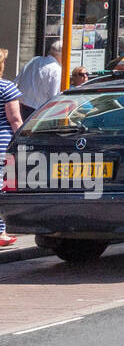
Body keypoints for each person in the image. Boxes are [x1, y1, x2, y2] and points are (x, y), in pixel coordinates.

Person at [0, 48, 23, 247]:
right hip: (3, 143)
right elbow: (14, 119)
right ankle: (0, 232)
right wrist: (23, 139)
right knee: (2, 187)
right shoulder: (6, 87)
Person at [16, 40, 62, 120]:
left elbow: (17, 81)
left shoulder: (34, 60)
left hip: (21, 106)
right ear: (61, 55)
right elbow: (54, 96)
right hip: (39, 112)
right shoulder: (56, 69)